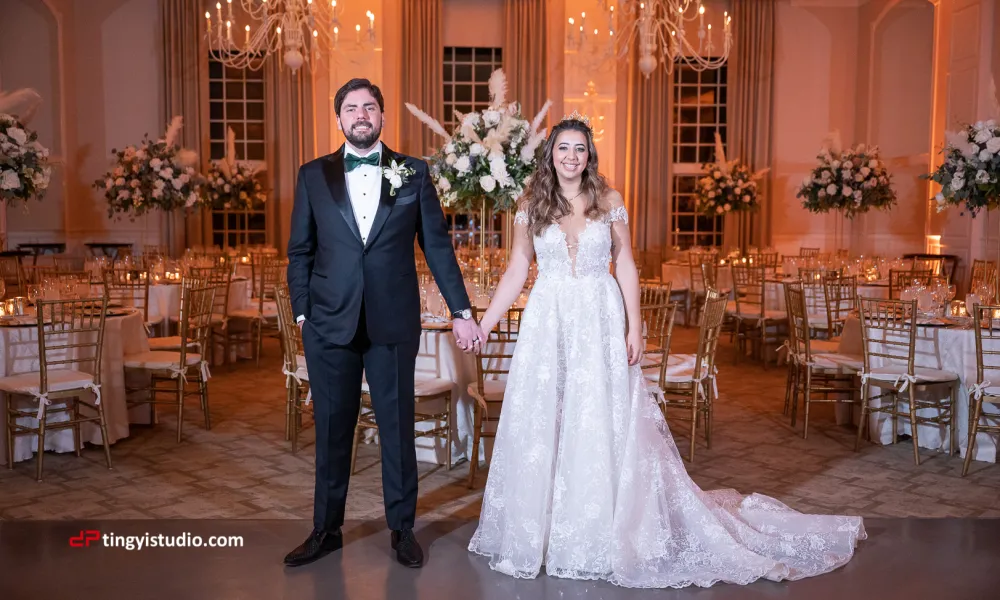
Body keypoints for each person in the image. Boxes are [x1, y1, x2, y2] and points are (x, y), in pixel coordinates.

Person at [467, 114, 866, 588]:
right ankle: (545, 529)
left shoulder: (609, 201)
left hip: (599, 316)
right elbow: (517, 269)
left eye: (579, 148)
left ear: (589, 155)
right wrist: (485, 324)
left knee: (598, 418)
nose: (571, 157)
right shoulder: (530, 203)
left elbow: (627, 265)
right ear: (550, 154)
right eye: (563, 148)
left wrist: (636, 327)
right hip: (547, 320)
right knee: (545, 418)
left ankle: (597, 532)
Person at [284, 78, 483, 569]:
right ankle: (326, 530)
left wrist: (461, 311)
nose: (360, 115)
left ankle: (402, 530)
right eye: (351, 108)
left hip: (393, 323)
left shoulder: (412, 173)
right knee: (332, 430)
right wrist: (304, 313)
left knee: (397, 431)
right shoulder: (313, 175)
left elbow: (437, 246)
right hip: (330, 324)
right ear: (338, 119)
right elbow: (299, 253)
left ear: (382, 117)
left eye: (369, 107)